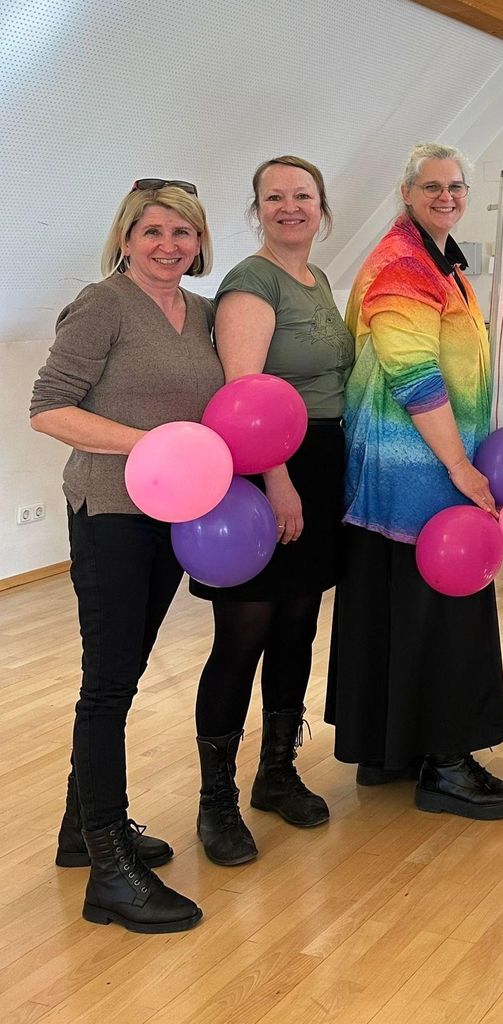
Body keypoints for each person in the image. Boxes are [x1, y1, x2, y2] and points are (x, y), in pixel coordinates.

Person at [30, 180, 223, 932]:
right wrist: (153, 447)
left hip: (171, 514)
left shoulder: (201, 313)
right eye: (153, 232)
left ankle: (84, 832)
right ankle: (111, 872)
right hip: (111, 511)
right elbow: (48, 407)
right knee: (107, 687)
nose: (169, 245)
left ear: (200, 242)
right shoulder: (102, 302)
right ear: (126, 237)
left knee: (126, 672)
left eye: (183, 232)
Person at [325, 142, 503, 818]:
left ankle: (391, 750)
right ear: (406, 193)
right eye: (432, 186)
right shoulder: (403, 265)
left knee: (398, 611)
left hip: (409, 474)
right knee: (443, 615)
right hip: (414, 474)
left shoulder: (442, 260)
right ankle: (447, 762)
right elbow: (414, 377)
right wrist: (462, 468)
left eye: (456, 186)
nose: (447, 195)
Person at [189, 156, 354, 865]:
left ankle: (276, 774)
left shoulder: (316, 281)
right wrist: (275, 480)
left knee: (296, 624)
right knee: (244, 631)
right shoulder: (250, 284)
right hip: (264, 469)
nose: (291, 207)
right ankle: (215, 802)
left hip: (320, 463)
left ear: (323, 206)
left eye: (303, 196)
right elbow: (242, 396)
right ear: (257, 210)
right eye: (274, 198)